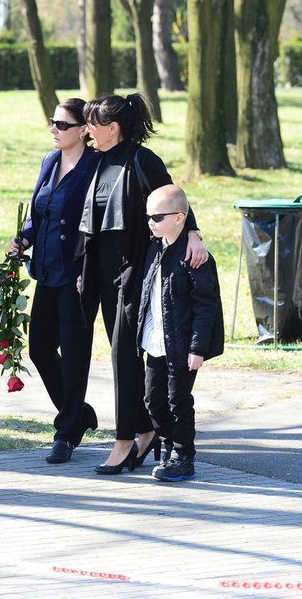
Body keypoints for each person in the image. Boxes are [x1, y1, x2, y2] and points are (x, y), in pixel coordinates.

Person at [77, 93, 208, 475]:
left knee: (124, 358)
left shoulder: (142, 159)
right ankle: (146, 431)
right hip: (103, 275)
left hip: (136, 273)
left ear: (113, 128)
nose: (87, 131)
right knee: (124, 359)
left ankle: (123, 442)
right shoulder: (99, 160)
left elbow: (173, 200)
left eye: (93, 124)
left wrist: (194, 234)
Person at [10, 99, 100, 464]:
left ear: (84, 131)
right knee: (39, 350)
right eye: (53, 122)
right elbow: (39, 213)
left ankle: (66, 432)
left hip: (77, 275)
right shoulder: (49, 162)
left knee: (76, 355)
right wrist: (24, 239)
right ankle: (78, 412)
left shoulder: (95, 167)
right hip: (46, 270)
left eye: (63, 125)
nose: (54, 129)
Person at [135, 185, 225, 482]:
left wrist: (197, 349)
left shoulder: (194, 257)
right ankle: (166, 443)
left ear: (179, 218)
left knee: (178, 402)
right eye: (148, 216)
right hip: (156, 340)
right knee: (152, 400)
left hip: (183, 345)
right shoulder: (155, 247)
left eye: (157, 217)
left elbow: (205, 304)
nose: (151, 222)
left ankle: (182, 455)